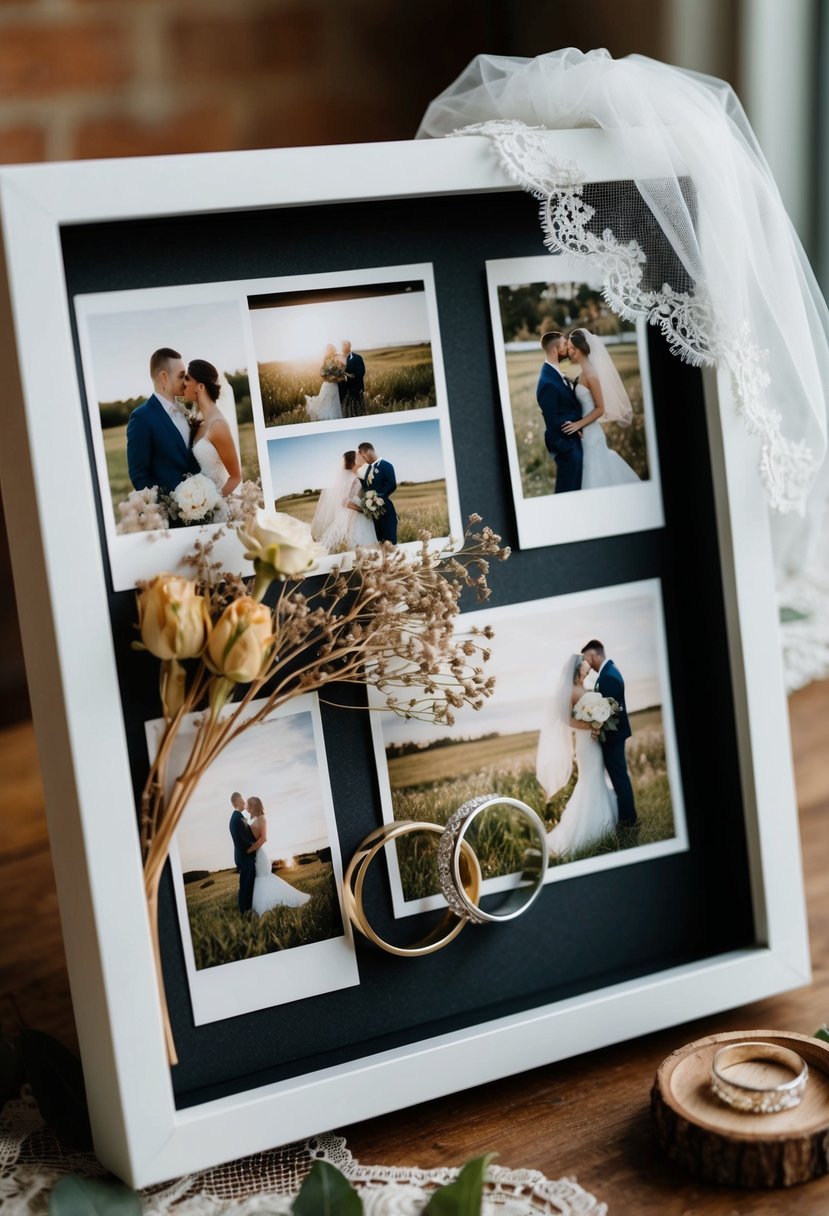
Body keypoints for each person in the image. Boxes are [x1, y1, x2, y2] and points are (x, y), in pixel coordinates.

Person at [537, 654, 618, 858]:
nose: (587, 667)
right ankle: (589, 831)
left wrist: (600, 719)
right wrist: (591, 724)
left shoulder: (584, 687)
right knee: (589, 780)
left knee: (597, 777)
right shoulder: (571, 690)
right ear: (576, 668)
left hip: (594, 741)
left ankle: (605, 824)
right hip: (586, 743)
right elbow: (566, 719)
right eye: (584, 664)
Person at [560, 329, 640, 489]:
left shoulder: (591, 375)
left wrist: (578, 424)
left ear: (580, 349)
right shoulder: (582, 374)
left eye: (570, 348)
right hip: (584, 434)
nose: (568, 352)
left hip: (591, 436)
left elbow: (600, 408)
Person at [581, 639, 637, 829]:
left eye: (587, 657)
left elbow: (608, 711)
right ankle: (627, 818)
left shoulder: (608, 677)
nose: (586, 662)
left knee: (620, 779)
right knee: (619, 778)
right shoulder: (608, 673)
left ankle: (629, 822)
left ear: (595, 655)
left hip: (613, 738)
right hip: (613, 737)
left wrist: (595, 723)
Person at [126, 347, 200, 493]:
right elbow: (139, 476)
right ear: (164, 377)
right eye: (181, 376)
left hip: (201, 505)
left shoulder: (187, 411)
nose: (186, 381)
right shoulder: (141, 417)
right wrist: (167, 507)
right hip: (170, 512)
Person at [182, 358, 242, 498]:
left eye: (187, 379)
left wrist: (211, 506)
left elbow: (235, 477)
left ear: (200, 387)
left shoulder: (218, 425)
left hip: (217, 506)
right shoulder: (202, 423)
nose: (183, 383)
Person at [245, 796, 311, 917]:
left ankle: (264, 907)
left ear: (255, 806)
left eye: (250, 806)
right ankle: (261, 906)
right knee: (259, 880)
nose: (248, 809)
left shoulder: (262, 819)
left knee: (262, 879)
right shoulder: (254, 819)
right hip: (255, 855)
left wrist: (249, 850)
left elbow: (263, 839)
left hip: (259, 856)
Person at [535, 332, 583, 493]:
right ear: (555, 350)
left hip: (573, 445)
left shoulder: (554, 373)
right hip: (567, 450)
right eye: (564, 345)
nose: (568, 347)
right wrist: (568, 451)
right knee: (567, 492)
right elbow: (553, 421)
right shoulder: (547, 382)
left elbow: (566, 408)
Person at [310, 450, 378, 552]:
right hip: (353, 509)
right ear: (354, 461)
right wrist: (361, 509)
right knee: (358, 536)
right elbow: (344, 501)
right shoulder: (351, 477)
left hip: (356, 505)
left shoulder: (354, 475)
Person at [356, 441, 398, 542]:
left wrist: (376, 497)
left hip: (385, 511)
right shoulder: (368, 469)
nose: (362, 458)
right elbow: (368, 487)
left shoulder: (386, 465)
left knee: (390, 543)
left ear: (366, 451)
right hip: (374, 514)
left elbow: (391, 484)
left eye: (362, 454)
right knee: (380, 543)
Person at [228, 791, 256, 915]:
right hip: (245, 858)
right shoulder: (237, 819)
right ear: (235, 803)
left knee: (248, 886)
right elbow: (244, 841)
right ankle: (244, 914)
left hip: (244, 857)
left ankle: (247, 911)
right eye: (241, 801)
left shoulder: (238, 817)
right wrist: (256, 845)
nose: (244, 802)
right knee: (245, 887)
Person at [305, 344, 345, 421]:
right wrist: (338, 374)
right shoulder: (328, 360)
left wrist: (340, 372)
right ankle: (329, 418)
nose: (333, 351)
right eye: (331, 350)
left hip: (334, 385)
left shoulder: (333, 359)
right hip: (330, 384)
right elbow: (327, 373)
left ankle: (333, 419)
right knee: (327, 402)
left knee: (333, 402)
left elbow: (331, 372)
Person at [339, 340, 366, 417]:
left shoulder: (357, 358)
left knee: (358, 411)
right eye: (342, 345)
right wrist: (345, 374)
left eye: (345, 345)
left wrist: (351, 376)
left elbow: (362, 372)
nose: (343, 346)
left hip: (356, 389)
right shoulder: (339, 359)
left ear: (349, 346)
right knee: (345, 412)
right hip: (343, 390)